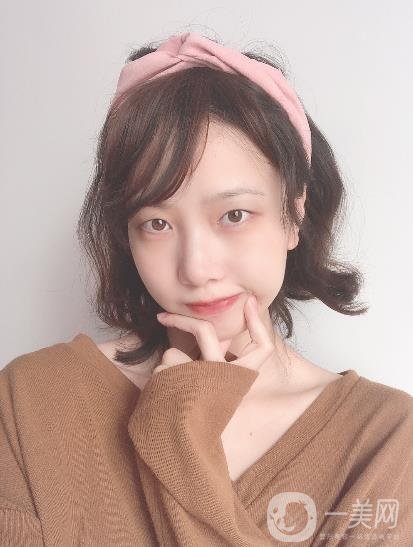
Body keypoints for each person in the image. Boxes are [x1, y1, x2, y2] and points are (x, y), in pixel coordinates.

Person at [1, 31, 412, 546]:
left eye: (234, 215)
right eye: (157, 223)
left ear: (293, 214)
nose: (196, 269)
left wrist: (180, 443)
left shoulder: (385, 439)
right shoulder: (31, 400)